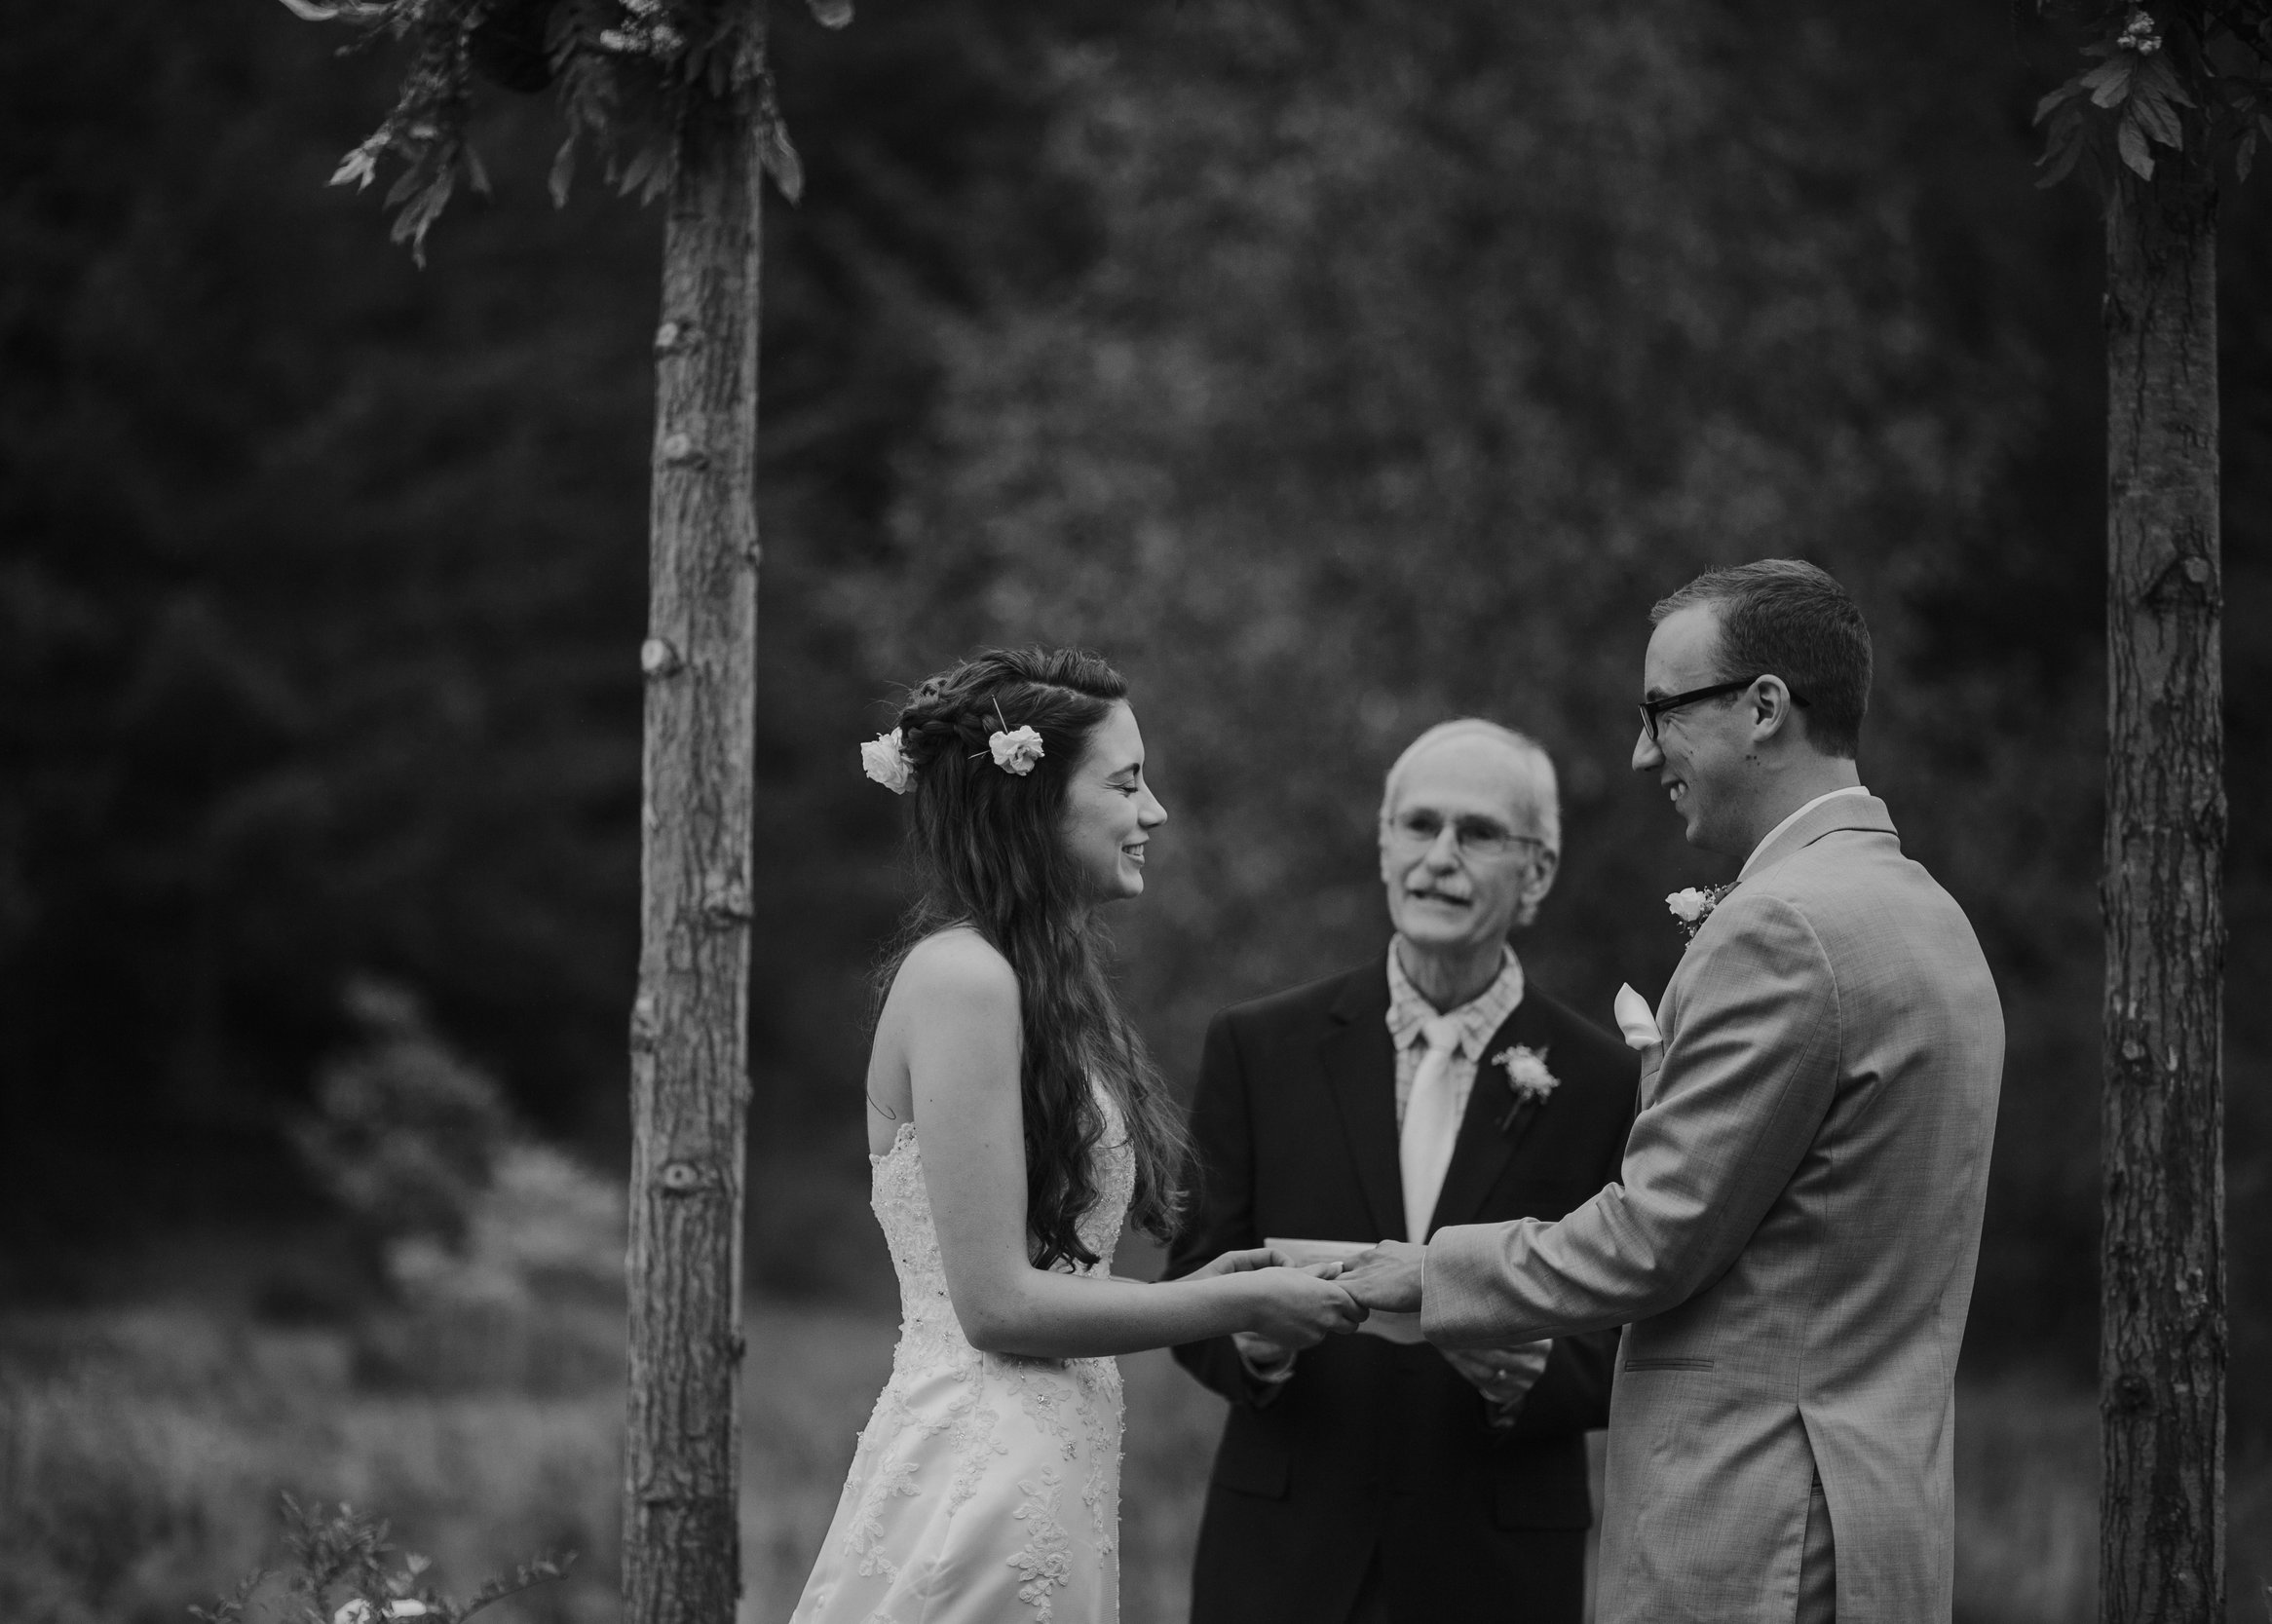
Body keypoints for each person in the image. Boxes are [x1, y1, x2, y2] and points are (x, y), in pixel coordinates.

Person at [1342, 561, 2006, 1624]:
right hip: (1873, 1513)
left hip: (1756, 1532)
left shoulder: (1782, 927)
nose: (1642, 750)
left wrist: (1426, 1267)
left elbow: (1657, 1232)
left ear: (1762, 707)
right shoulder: (1924, 912)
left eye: (1662, 711)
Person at [789, 647, 1364, 1624]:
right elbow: (998, 1306)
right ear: (1033, 800)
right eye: (1127, 782)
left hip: (1045, 1465)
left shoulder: (1036, 986)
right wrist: (1229, 1304)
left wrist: (1220, 1282)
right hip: (977, 1476)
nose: (1155, 812)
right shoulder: (963, 980)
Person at [1163, 719, 1639, 1624]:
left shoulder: (1608, 1081)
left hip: (1495, 1564)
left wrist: (1539, 1372)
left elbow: (1639, 1324)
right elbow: (1189, 1286)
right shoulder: (1258, 1047)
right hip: (1281, 1556)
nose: (1440, 858)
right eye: (1419, 826)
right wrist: (1249, 1343)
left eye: (1480, 833)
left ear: (1536, 872)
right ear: (1383, 847)